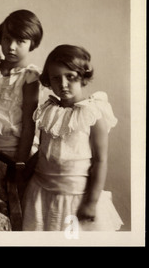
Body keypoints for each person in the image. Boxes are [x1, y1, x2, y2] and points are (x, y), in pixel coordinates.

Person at [22, 45, 123, 231]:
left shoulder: (93, 113)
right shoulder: (48, 112)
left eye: (70, 77)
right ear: (48, 81)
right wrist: (22, 177)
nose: (63, 84)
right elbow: (42, 151)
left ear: (83, 77)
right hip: (41, 192)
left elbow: (100, 161)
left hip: (76, 196)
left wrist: (91, 202)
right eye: (55, 78)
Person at [0, 9, 43, 230]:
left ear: (32, 43)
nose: (12, 46)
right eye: (7, 39)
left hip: (14, 155)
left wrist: (21, 162)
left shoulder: (30, 78)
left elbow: (29, 124)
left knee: (11, 206)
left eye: (20, 41)